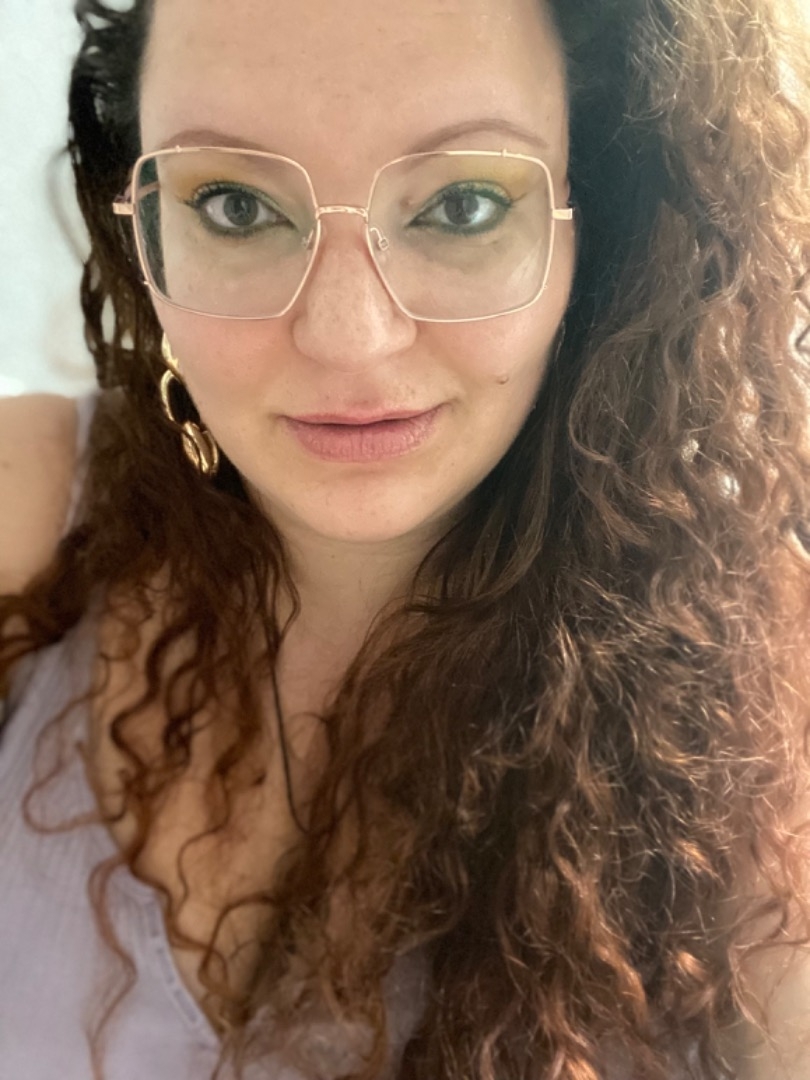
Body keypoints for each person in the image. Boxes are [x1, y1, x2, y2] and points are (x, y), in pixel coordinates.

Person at [1, 0, 809, 1077]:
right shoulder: (33, 506)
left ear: (599, 220)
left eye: (463, 205)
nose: (349, 338)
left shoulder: (759, 699)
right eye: (236, 205)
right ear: (138, 224)